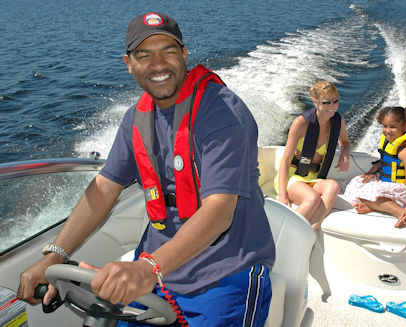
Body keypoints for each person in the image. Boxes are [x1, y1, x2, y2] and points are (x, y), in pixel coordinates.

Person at [17, 12, 275, 326]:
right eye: (144, 54)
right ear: (128, 63)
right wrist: (55, 253)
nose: (158, 64)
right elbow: (103, 189)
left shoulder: (223, 112)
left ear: (184, 55)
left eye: (168, 51)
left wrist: (148, 269)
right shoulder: (135, 120)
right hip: (157, 273)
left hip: (225, 274)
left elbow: (219, 210)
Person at [275, 81, 350, 230]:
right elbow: (285, 161)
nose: (332, 106)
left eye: (335, 101)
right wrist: (283, 196)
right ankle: (286, 232)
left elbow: (345, 142)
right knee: (313, 198)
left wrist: (344, 155)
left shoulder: (338, 121)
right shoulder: (301, 123)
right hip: (293, 177)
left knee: (333, 186)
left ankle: (311, 230)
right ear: (315, 102)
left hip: (315, 178)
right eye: (326, 102)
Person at [344, 105, 406, 228]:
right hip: (391, 184)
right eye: (385, 126)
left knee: (365, 193)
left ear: (405, 125)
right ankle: (376, 206)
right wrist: (372, 173)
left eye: (393, 127)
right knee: (355, 184)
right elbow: (385, 161)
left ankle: (401, 213)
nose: (387, 130)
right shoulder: (391, 138)